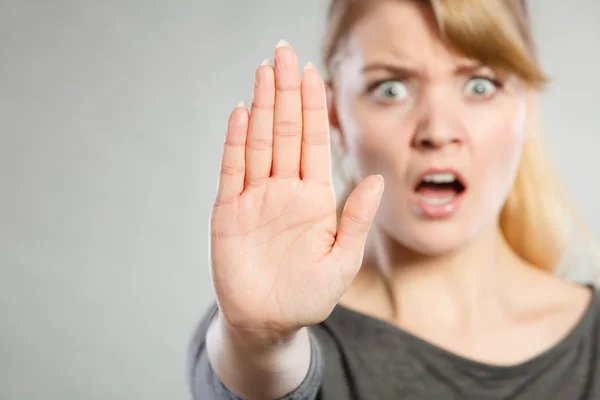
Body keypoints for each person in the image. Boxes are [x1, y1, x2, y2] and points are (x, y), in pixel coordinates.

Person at [189, 0, 600, 399]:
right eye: (391, 89)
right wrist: (259, 341)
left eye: (480, 85)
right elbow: (251, 379)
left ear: (525, 108)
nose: (437, 131)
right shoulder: (284, 329)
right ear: (336, 116)